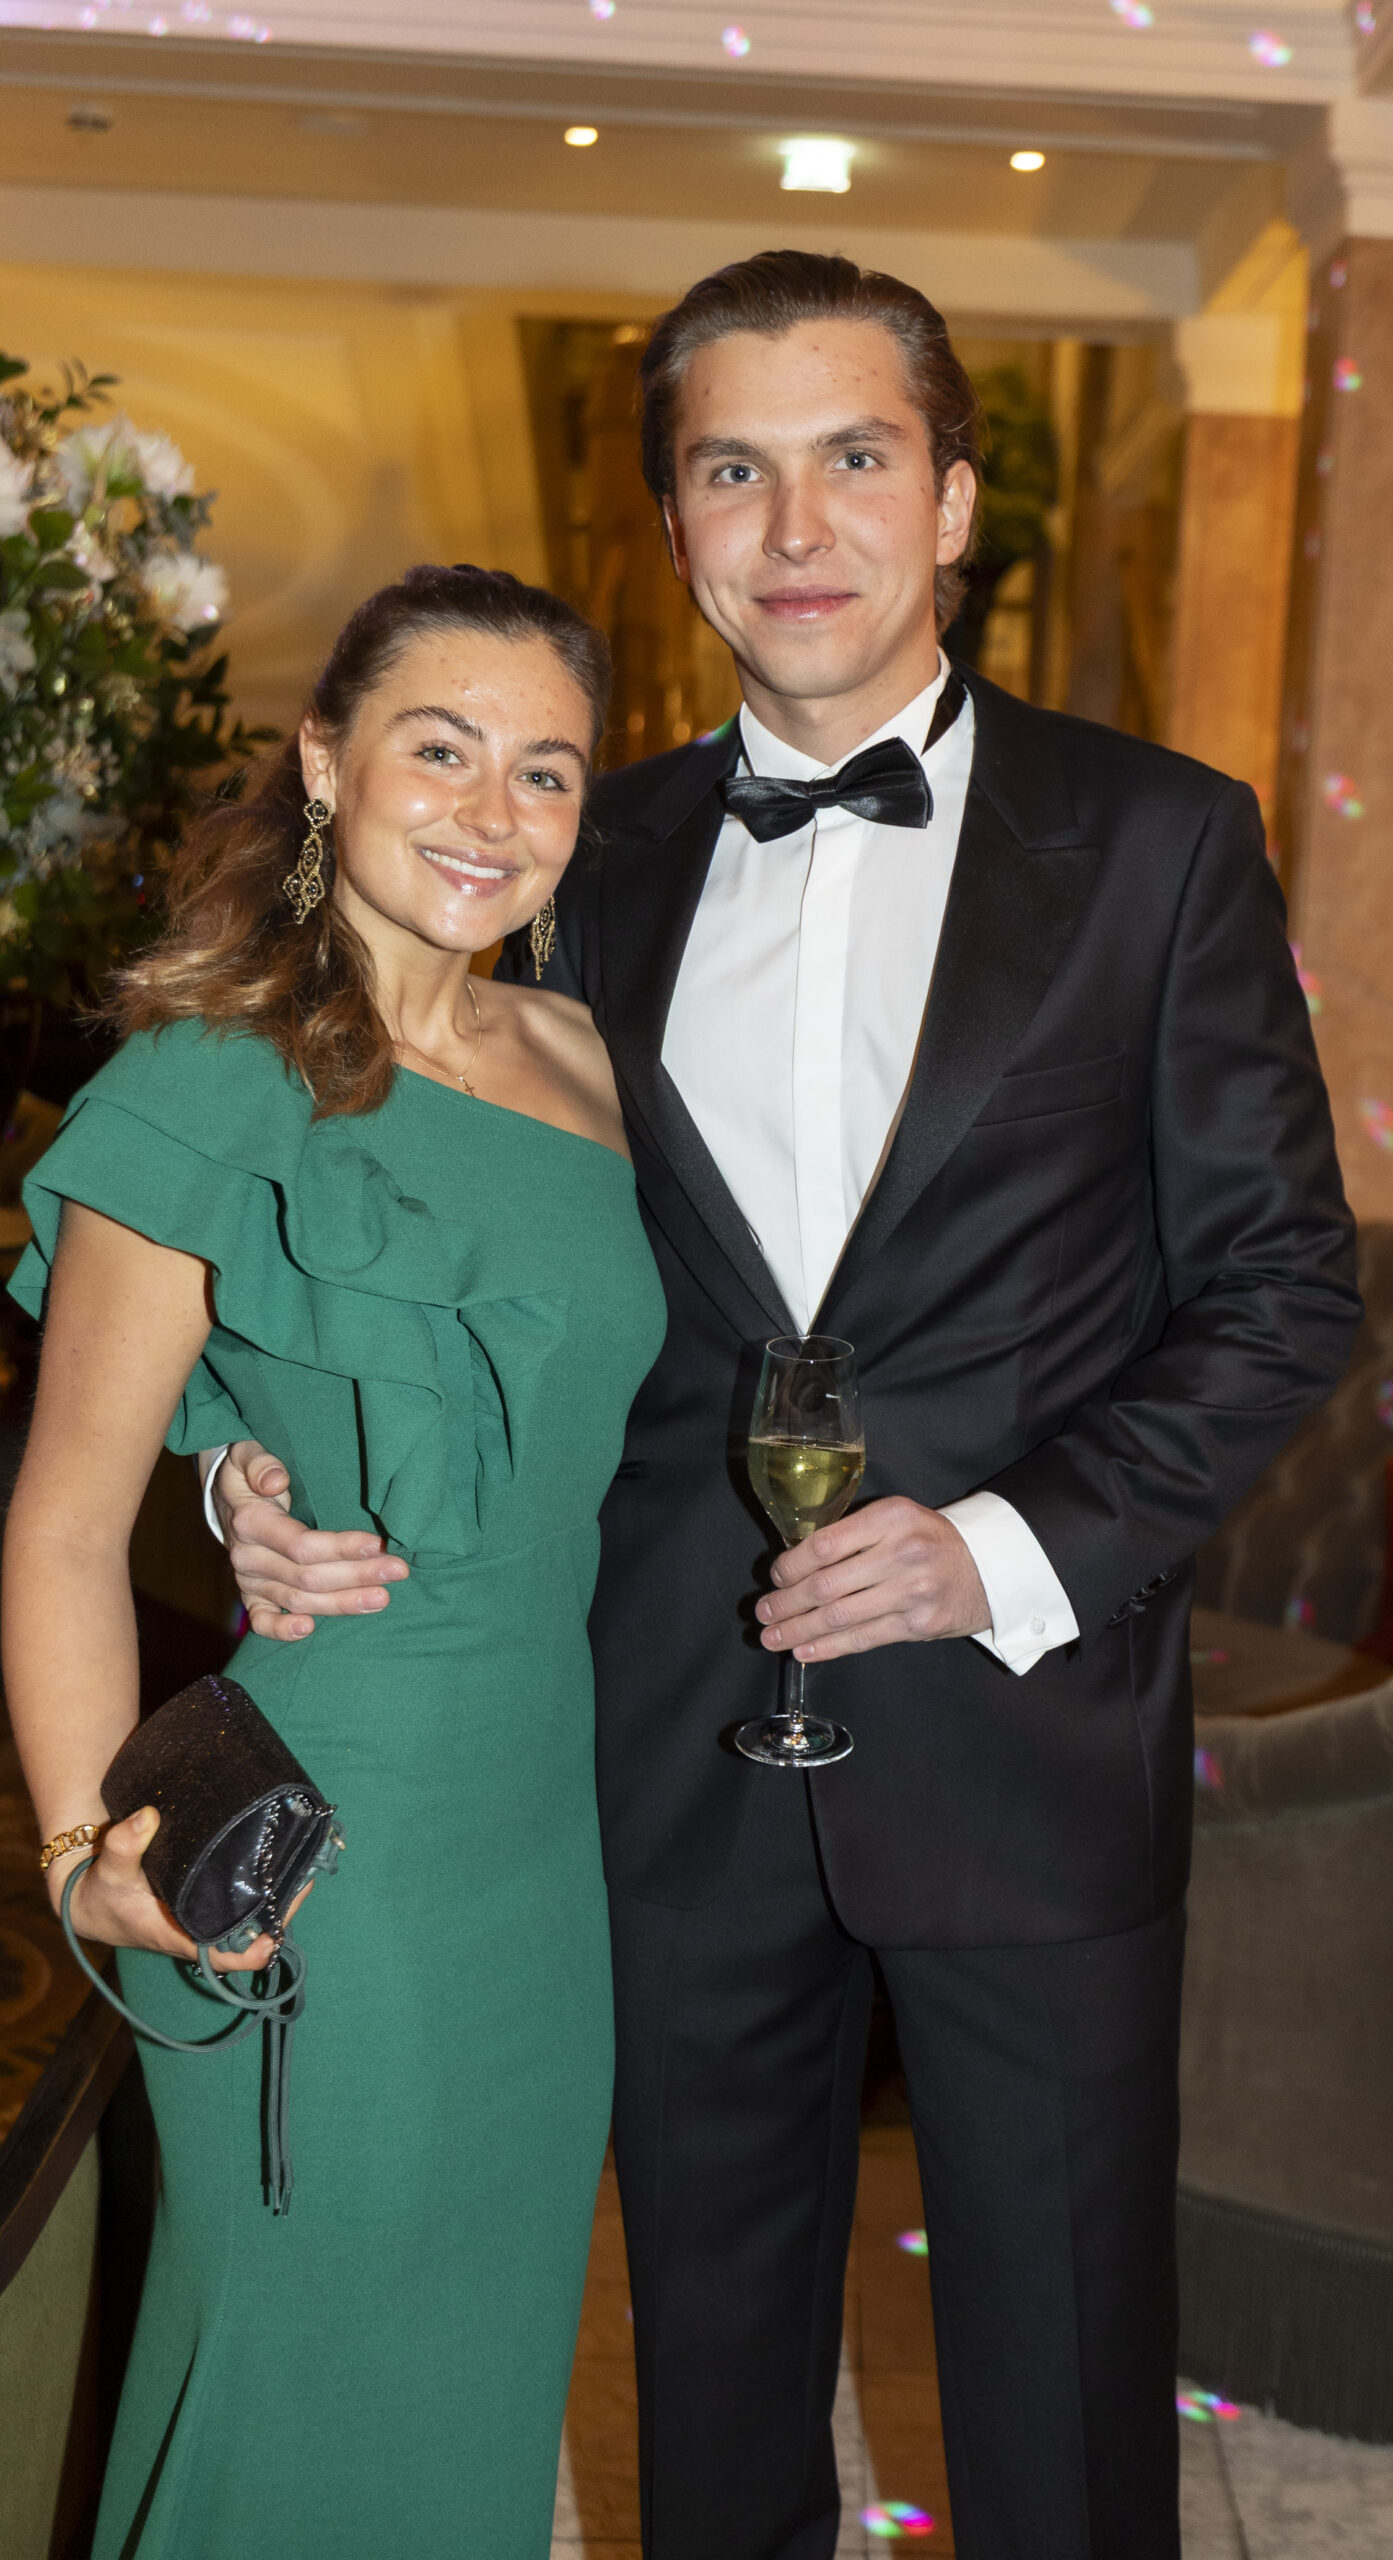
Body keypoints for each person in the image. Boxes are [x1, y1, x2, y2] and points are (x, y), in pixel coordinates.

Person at [212, 253, 1362, 2560]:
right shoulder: (572, 848)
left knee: (1055, 2383)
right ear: (673, 525)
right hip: (658, 1724)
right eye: (733, 469)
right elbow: (386, 1209)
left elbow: (1277, 1288)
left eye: (854, 456)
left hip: (1024, 1730)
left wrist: (997, 1545)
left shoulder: (1158, 840)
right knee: (711, 2371)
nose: (797, 521)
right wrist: (247, 1458)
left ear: (951, 500)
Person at [5, 563, 663, 2560]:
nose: (490, 810)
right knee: (295, 2398)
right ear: (323, 762)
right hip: (324, 1851)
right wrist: (83, 1853)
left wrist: (238, 1470)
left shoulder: (584, 1063)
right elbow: (57, 1520)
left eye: (544, 770)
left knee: (470, 2409)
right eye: (438, 749)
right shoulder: (206, 1079)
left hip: (541, 1852)